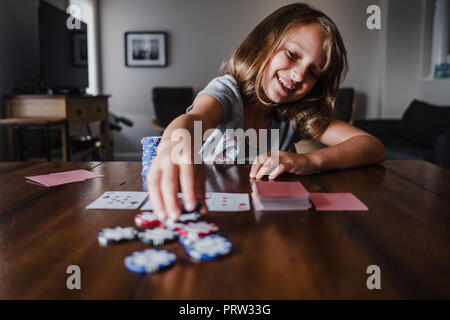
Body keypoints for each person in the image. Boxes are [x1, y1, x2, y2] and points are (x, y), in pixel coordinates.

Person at [147, 3, 386, 221]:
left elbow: (371, 146)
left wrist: (308, 160)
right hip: (217, 215)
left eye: (313, 72)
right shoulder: (228, 92)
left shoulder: (297, 113)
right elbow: (195, 119)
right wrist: (174, 145)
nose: (298, 75)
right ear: (265, 44)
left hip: (273, 222)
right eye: (292, 55)